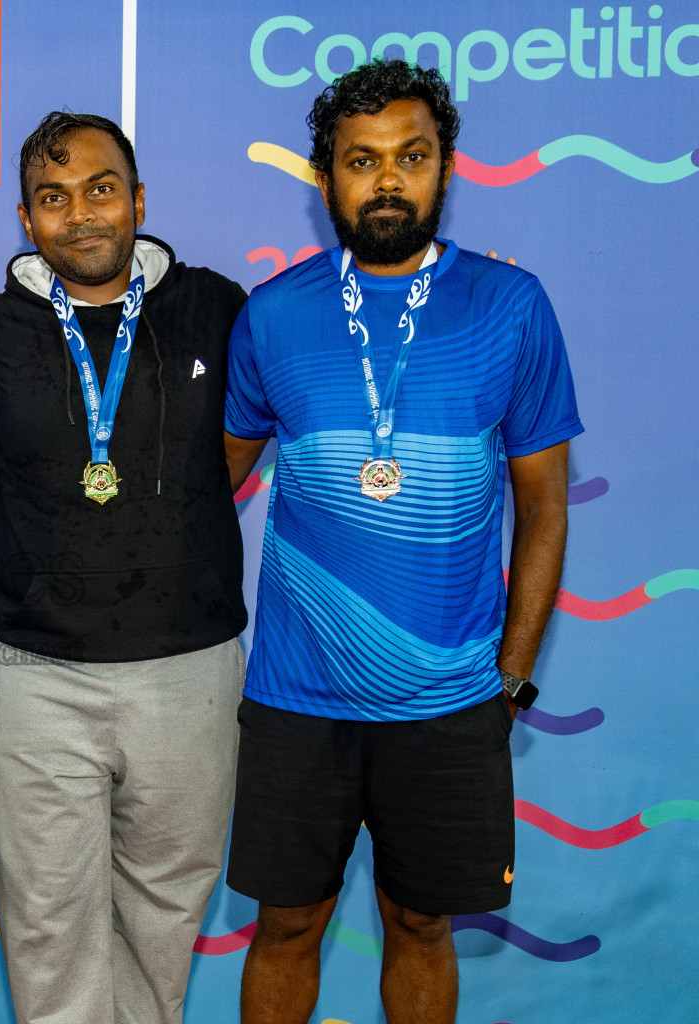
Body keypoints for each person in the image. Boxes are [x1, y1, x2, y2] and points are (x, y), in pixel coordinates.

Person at [222, 60, 581, 1024]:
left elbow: (545, 508)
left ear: (446, 168)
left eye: (411, 157)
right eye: (361, 161)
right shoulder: (273, 314)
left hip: (452, 701)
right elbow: (206, 492)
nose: (387, 181)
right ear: (324, 177)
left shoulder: (512, 308)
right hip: (298, 703)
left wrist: (509, 679)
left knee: (420, 926)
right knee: (286, 930)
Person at [0, 111, 250, 1024]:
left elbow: (229, 463)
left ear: (137, 200)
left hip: (191, 667)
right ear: (25, 217)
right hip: (35, 674)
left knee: (165, 916)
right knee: (47, 924)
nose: (80, 214)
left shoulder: (217, 308)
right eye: (54, 198)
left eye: (100, 189)